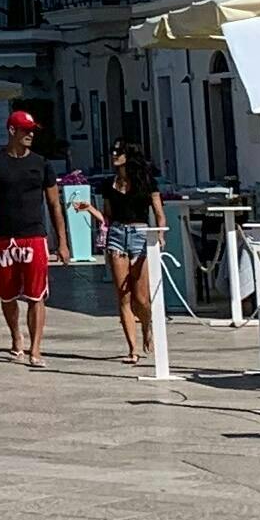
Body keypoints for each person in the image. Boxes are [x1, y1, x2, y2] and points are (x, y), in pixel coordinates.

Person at [0, 111, 69, 368]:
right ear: (12, 131)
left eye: (32, 130)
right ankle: (15, 336)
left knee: (36, 295)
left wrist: (62, 242)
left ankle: (36, 348)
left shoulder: (42, 164)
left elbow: (54, 205)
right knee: (8, 295)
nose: (30, 135)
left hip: (34, 235)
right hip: (6, 238)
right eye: (25, 130)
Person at [99, 133, 166, 364]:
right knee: (123, 295)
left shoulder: (146, 182)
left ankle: (147, 326)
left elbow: (158, 212)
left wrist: (160, 233)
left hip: (140, 234)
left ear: (129, 156)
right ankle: (132, 349)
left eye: (119, 151)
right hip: (117, 234)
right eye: (113, 151)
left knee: (141, 297)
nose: (114, 155)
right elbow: (107, 215)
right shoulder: (108, 185)